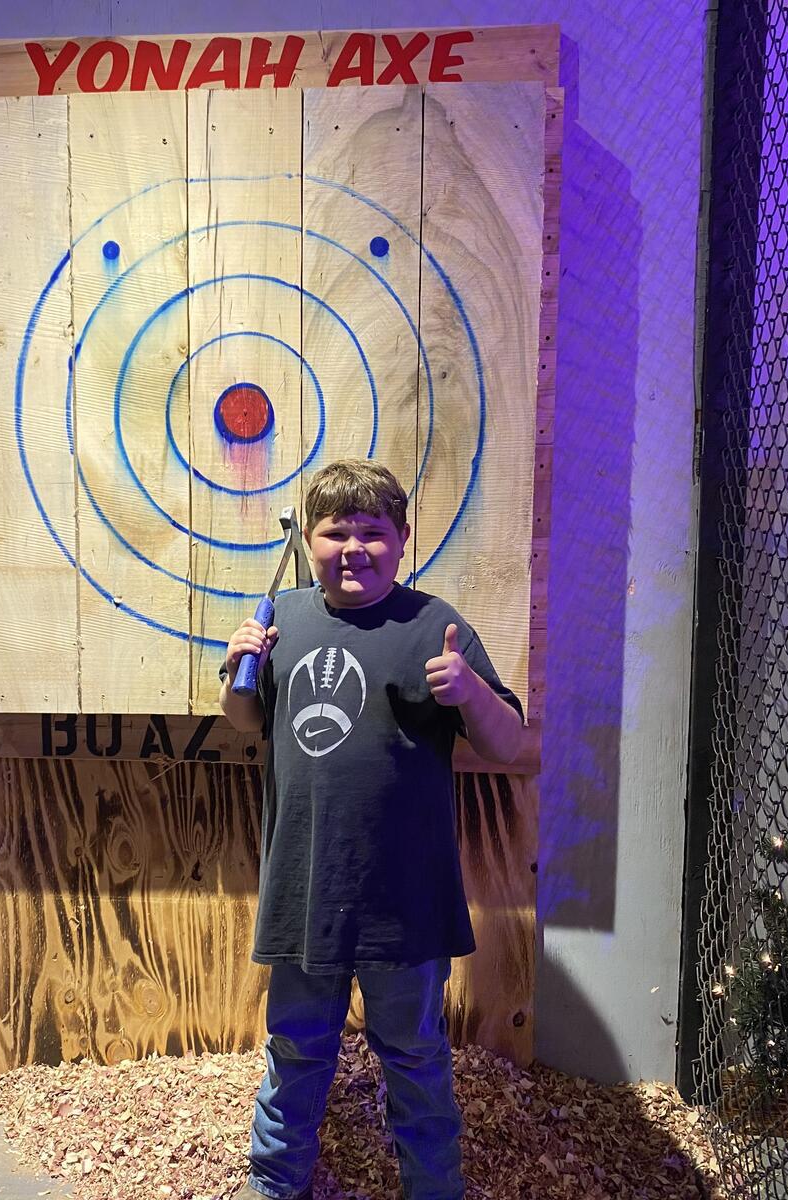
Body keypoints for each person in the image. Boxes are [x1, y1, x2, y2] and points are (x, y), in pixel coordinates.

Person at [219, 459, 525, 1200]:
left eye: (372, 532)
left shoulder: (433, 624)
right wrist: (237, 668)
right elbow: (246, 720)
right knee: (296, 1053)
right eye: (335, 532)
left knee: (415, 1058)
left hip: (405, 903)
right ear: (310, 540)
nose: (353, 548)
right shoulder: (283, 619)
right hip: (305, 894)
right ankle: (274, 1186)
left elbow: (510, 742)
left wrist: (470, 692)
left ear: (402, 539)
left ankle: (433, 1188)